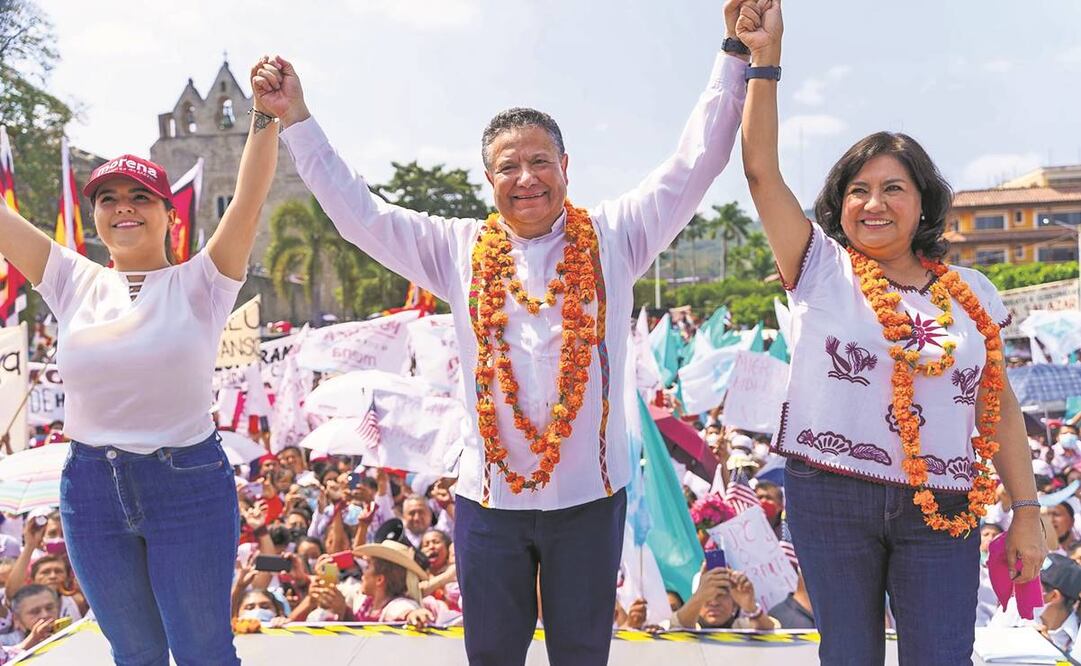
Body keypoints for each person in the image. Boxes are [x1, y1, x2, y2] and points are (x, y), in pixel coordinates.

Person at [260, 0, 752, 659]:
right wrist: (297, 121)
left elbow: (696, 160)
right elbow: (360, 215)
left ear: (566, 167)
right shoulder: (455, 248)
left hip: (589, 503)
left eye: (540, 162)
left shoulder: (616, 236)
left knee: (582, 655)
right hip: (488, 509)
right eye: (508, 167)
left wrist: (734, 53)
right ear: (488, 179)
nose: (526, 179)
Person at [736, 1, 1046, 663]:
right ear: (838, 202)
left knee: (940, 655)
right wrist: (765, 60)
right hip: (829, 493)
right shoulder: (818, 267)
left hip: (944, 504)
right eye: (857, 189)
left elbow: (1000, 413)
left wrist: (1025, 509)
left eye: (892, 188)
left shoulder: (974, 294)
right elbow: (760, 171)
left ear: (924, 201)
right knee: (848, 657)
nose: (871, 203)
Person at [0, 58, 281, 665]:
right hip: (90, 490)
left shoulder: (204, 281)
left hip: (189, 485)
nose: (123, 207)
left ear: (170, 214)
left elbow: (251, 196)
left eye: (139, 197)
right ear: (94, 216)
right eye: (107, 198)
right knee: (134, 653)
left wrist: (263, 114)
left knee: (204, 651)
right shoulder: (71, 279)